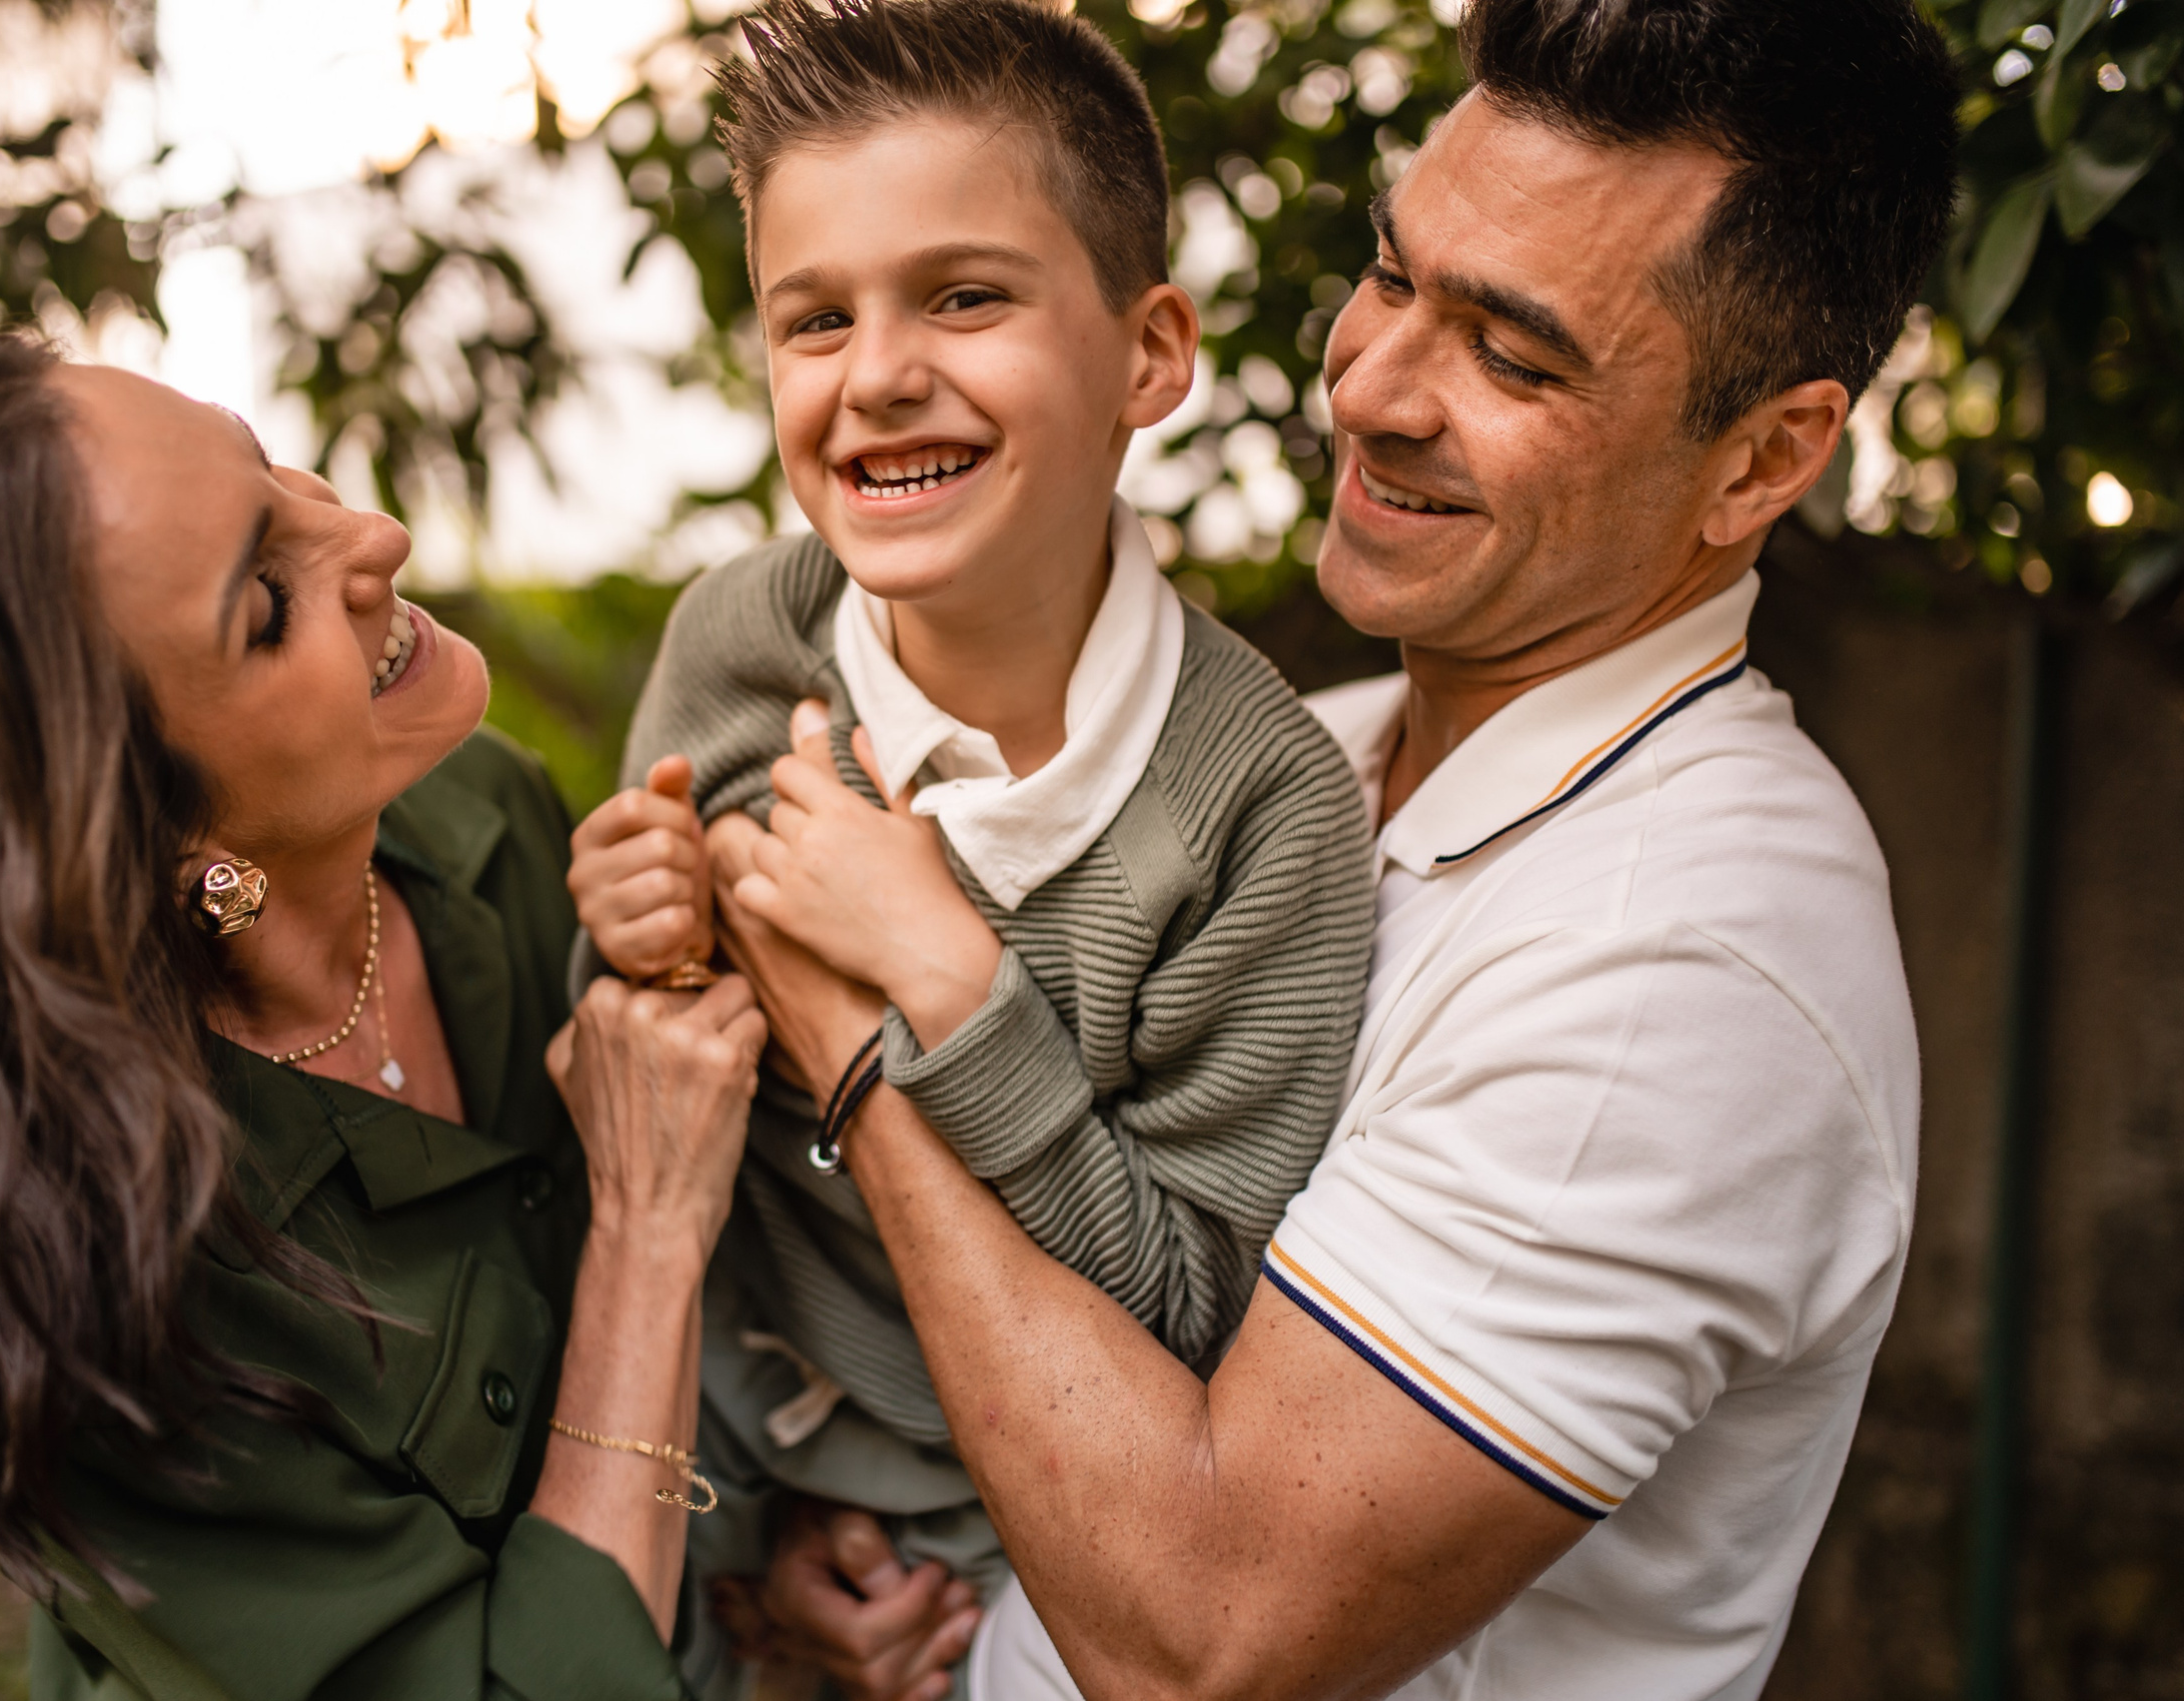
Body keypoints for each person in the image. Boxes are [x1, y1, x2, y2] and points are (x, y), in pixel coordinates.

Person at [711, 0, 1956, 1695]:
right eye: (1389, 276)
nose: (1367, 389)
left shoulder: (1681, 953)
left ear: (1764, 458)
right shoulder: (1319, 750)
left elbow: (1203, 1639)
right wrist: (873, 1551)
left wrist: (857, 1039)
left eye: (1513, 357)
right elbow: (1090, 1348)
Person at [0, 334, 767, 1700]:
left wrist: (767, 1567)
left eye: (263, 462)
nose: (373, 535)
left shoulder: (469, 809)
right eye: (265, 601)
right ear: (145, 836)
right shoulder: (92, 1296)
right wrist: (647, 1237)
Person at [561, 3, 1375, 1692]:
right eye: (814, 319)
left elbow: (1181, 1312)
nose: (876, 377)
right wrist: (639, 933)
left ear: (1150, 352)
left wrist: (946, 972)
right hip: (708, 1478)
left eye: (965, 295)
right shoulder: (737, 645)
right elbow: (642, 1091)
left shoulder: (1262, 815)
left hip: (1015, 1564)